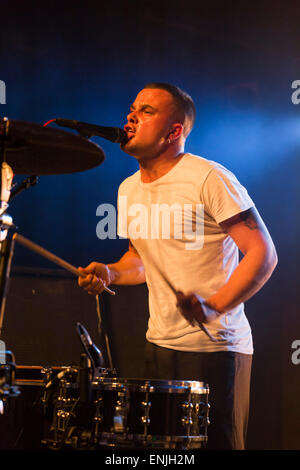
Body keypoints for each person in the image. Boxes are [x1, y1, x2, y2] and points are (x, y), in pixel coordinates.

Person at [78, 83, 278, 450]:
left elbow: (263, 254)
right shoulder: (128, 189)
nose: (131, 117)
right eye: (132, 109)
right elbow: (139, 260)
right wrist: (110, 272)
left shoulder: (209, 178)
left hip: (217, 348)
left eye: (147, 111)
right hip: (158, 344)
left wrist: (215, 305)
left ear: (174, 132)